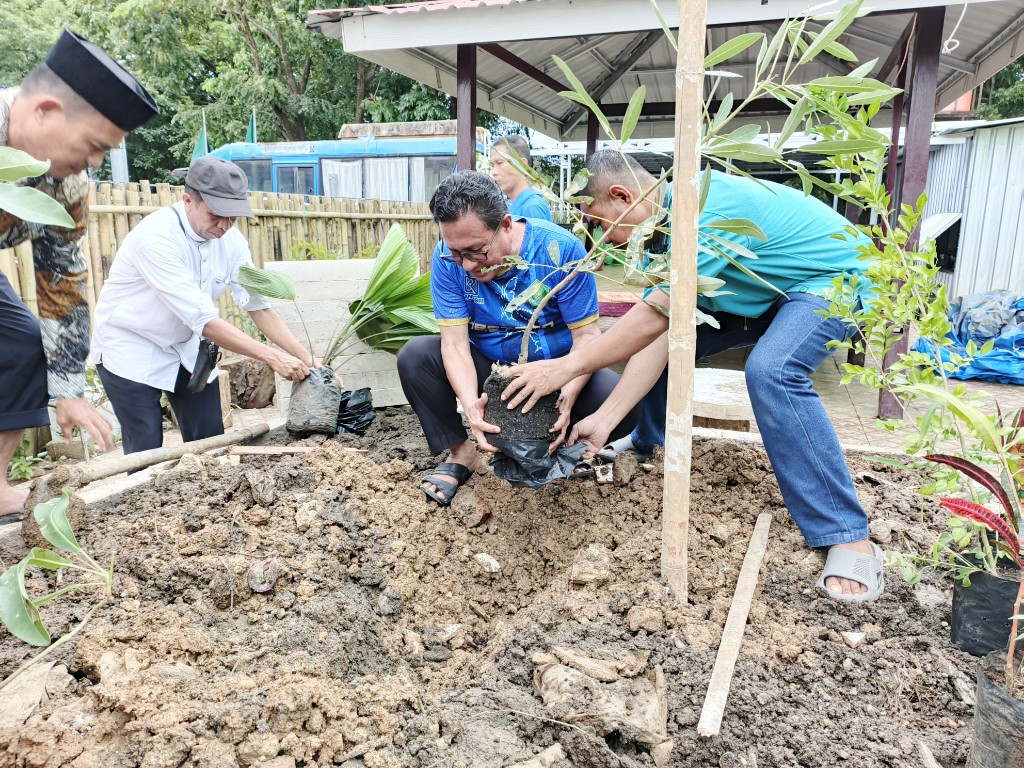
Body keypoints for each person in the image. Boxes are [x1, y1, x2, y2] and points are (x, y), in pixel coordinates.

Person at [502, 149, 885, 602]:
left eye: (601, 224)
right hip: (767, 291)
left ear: (623, 195)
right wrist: (604, 421)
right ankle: (647, 439)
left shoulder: (705, 212)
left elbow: (657, 314)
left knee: (773, 372)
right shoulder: (661, 234)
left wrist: (562, 368)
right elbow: (660, 334)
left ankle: (846, 532)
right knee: (651, 339)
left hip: (831, 280)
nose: (601, 241)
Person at [396, 170, 639, 505]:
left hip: (559, 371)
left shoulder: (559, 250)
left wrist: (567, 392)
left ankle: (568, 451)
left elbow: (586, 338)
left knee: (622, 401)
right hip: (492, 374)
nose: (466, 265)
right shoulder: (446, 260)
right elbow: (453, 343)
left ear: (506, 225)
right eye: (456, 253)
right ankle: (461, 453)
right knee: (416, 356)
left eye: (476, 251)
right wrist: (472, 409)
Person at [0, 30, 159, 516]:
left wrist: (68, 390)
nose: (92, 162)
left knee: (23, 343)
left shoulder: (66, 185)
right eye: (93, 145)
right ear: (45, 109)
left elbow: (62, 283)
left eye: (103, 153)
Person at [90, 156, 314, 455]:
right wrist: (273, 357)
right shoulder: (156, 238)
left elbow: (257, 306)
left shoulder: (231, 241)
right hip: (131, 345)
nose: (224, 226)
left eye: (232, 217)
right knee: (146, 447)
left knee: (210, 440)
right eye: (215, 215)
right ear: (188, 201)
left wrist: (306, 357)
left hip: (186, 344)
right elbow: (204, 319)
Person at [490, 135, 553, 221]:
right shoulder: (508, 206)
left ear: (522, 164)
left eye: (500, 163)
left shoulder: (532, 208)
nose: (494, 172)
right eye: (492, 165)